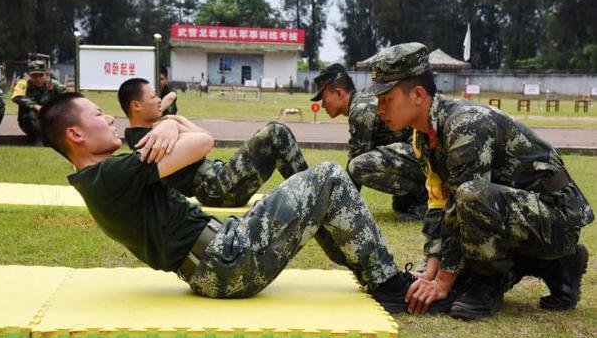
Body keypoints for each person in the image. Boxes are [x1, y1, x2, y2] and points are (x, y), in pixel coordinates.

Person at [38, 92, 439, 313]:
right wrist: (173, 124)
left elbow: (195, 147)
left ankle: (367, 267)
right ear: (75, 134)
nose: (108, 118)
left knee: (316, 189)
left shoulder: (97, 179)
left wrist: (170, 125)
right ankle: (388, 284)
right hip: (226, 262)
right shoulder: (111, 174)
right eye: (96, 113)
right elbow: (203, 144)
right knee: (329, 177)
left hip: (219, 254)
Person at [371, 42, 594, 319]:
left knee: (471, 196)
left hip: (556, 221)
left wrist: (444, 281)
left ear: (417, 94)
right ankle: (558, 266)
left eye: (386, 99)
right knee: (466, 207)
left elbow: (466, 200)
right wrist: (432, 267)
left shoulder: (465, 125)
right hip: (517, 215)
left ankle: (489, 281)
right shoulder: (423, 135)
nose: (379, 109)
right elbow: (438, 204)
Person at [118, 77, 309, 207]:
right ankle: (312, 191)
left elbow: (204, 136)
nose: (159, 100)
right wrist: (174, 123)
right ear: (136, 105)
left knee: (275, 135)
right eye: (153, 97)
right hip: (215, 188)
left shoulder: (153, 131)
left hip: (218, 182)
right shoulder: (146, 140)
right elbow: (206, 141)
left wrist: (176, 121)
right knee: (275, 132)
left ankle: (310, 190)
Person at [310, 63, 427, 221]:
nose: (322, 105)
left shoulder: (361, 108)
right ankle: (418, 195)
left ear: (338, 93)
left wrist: (338, 208)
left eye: (323, 99)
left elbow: (355, 165)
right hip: (416, 155)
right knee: (399, 206)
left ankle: (423, 195)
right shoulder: (360, 104)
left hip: (422, 155)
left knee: (358, 167)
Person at [12, 60, 66, 143]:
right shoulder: (24, 84)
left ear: (46, 74)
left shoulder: (54, 85)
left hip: (50, 120)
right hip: (29, 122)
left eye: (41, 75)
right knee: (32, 112)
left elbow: (67, 96)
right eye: (34, 76)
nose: (38, 79)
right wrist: (34, 106)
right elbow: (16, 97)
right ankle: (38, 138)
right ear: (30, 75)